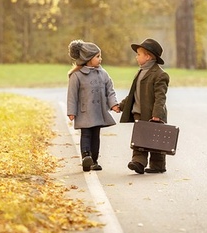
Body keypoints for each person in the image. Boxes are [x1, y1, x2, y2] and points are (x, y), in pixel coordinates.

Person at [116, 38, 170, 174]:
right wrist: (121, 106)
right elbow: (133, 93)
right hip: (139, 112)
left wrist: (157, 114)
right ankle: (138, 162)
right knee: (139, 139)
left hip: (153, 114)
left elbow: (160, 97)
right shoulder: (140, 72)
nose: (136, 56)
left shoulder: (160, 74)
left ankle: (158, 165)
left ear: (148, 56)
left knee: (155, 141)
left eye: (139, 54)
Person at [66, 40, 120, 172]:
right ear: (88, 58)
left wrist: (113, 105)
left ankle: (94, 160)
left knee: (96, 135)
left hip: (98, 111)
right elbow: (72, 95)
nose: (100, 59)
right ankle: (86, 156)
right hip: (85, 111)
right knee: (86, 134)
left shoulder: (103, 74)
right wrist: (71, 111)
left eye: (100, 56)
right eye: (97, 56)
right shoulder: (77, 76)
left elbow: (110, 90)